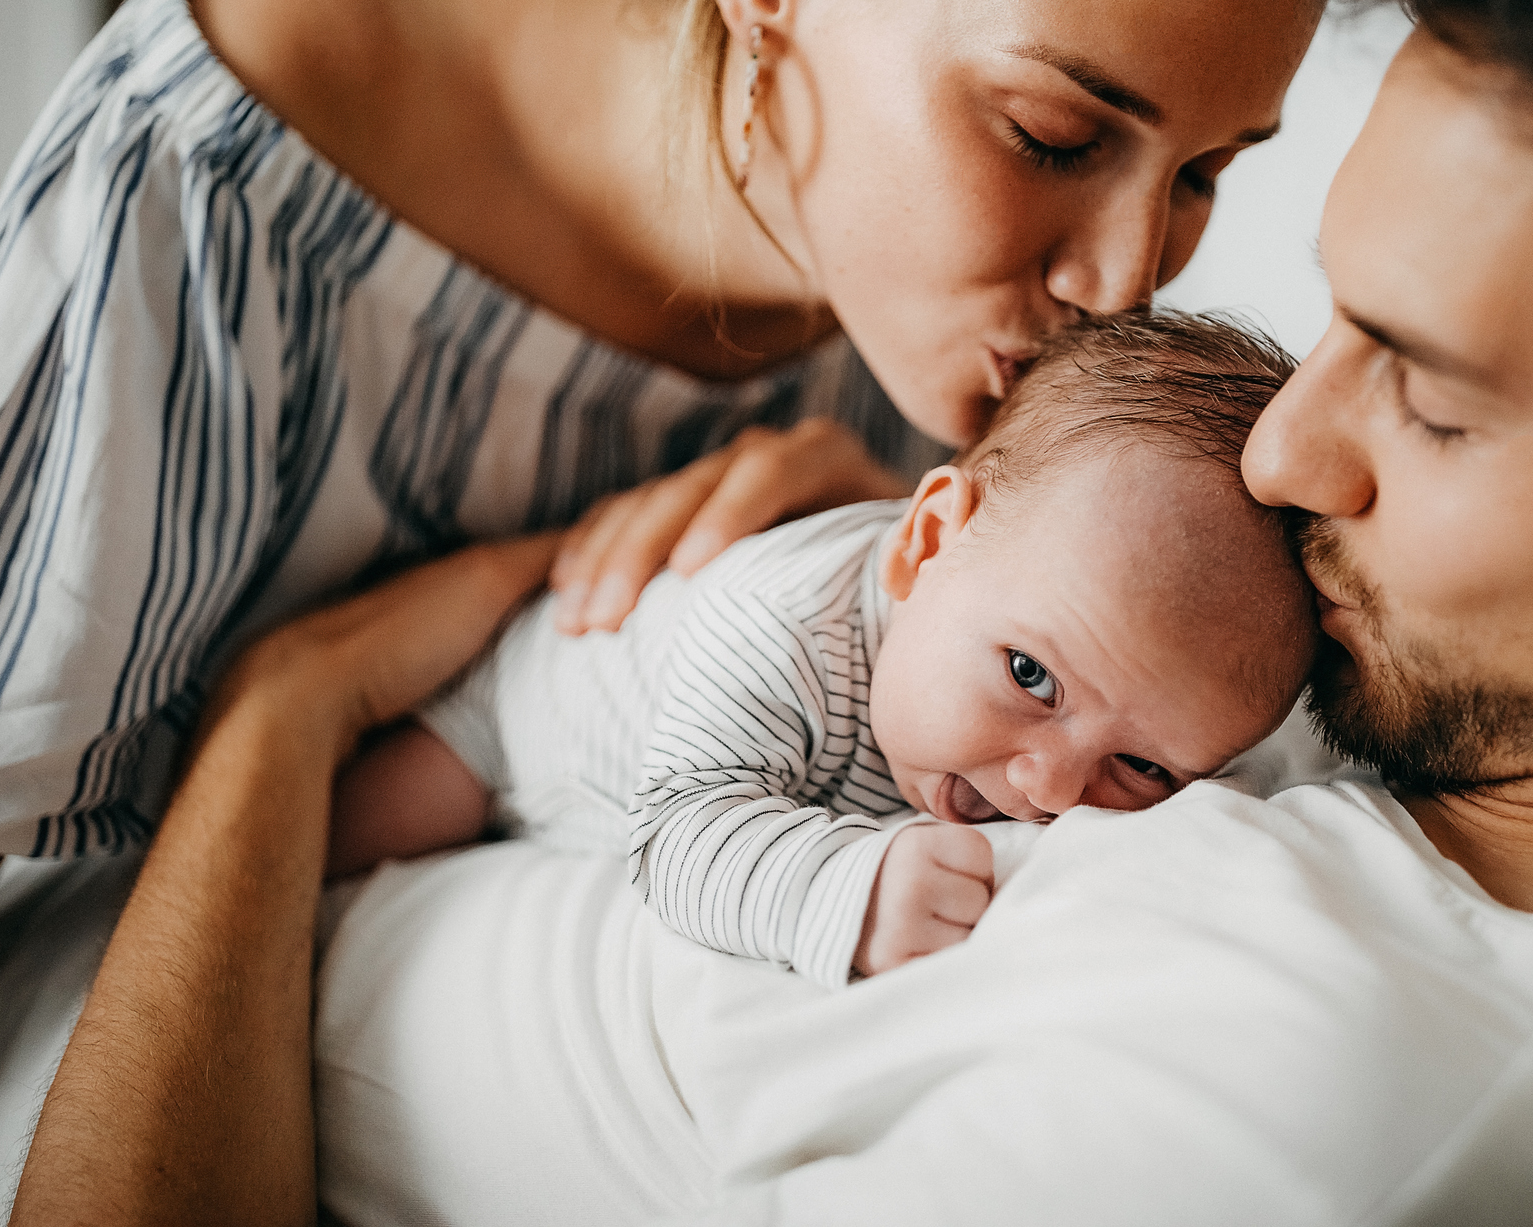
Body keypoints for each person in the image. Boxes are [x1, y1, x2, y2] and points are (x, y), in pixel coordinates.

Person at [0, 0, 1533, 1222]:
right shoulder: (1022, 432)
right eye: (1059, 132)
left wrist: (298, 704)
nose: (1258, 438)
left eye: (1419, 389)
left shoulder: (1309, 1077)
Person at [0, 0, 1358, 1016]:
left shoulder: (954, 352)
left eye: (1202, 175)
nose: (1120, 280)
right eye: (1052, 135)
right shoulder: (220, 152)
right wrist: (320, 695)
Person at [327, 313, 1315, 985]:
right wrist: (846, 886)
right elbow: (675, 834)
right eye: (1030, 676)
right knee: (327, 877)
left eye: (1140, 766)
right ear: (927, 543)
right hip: (512, 712)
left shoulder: (1040, 641)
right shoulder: (784, 626)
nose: (1050, 786)